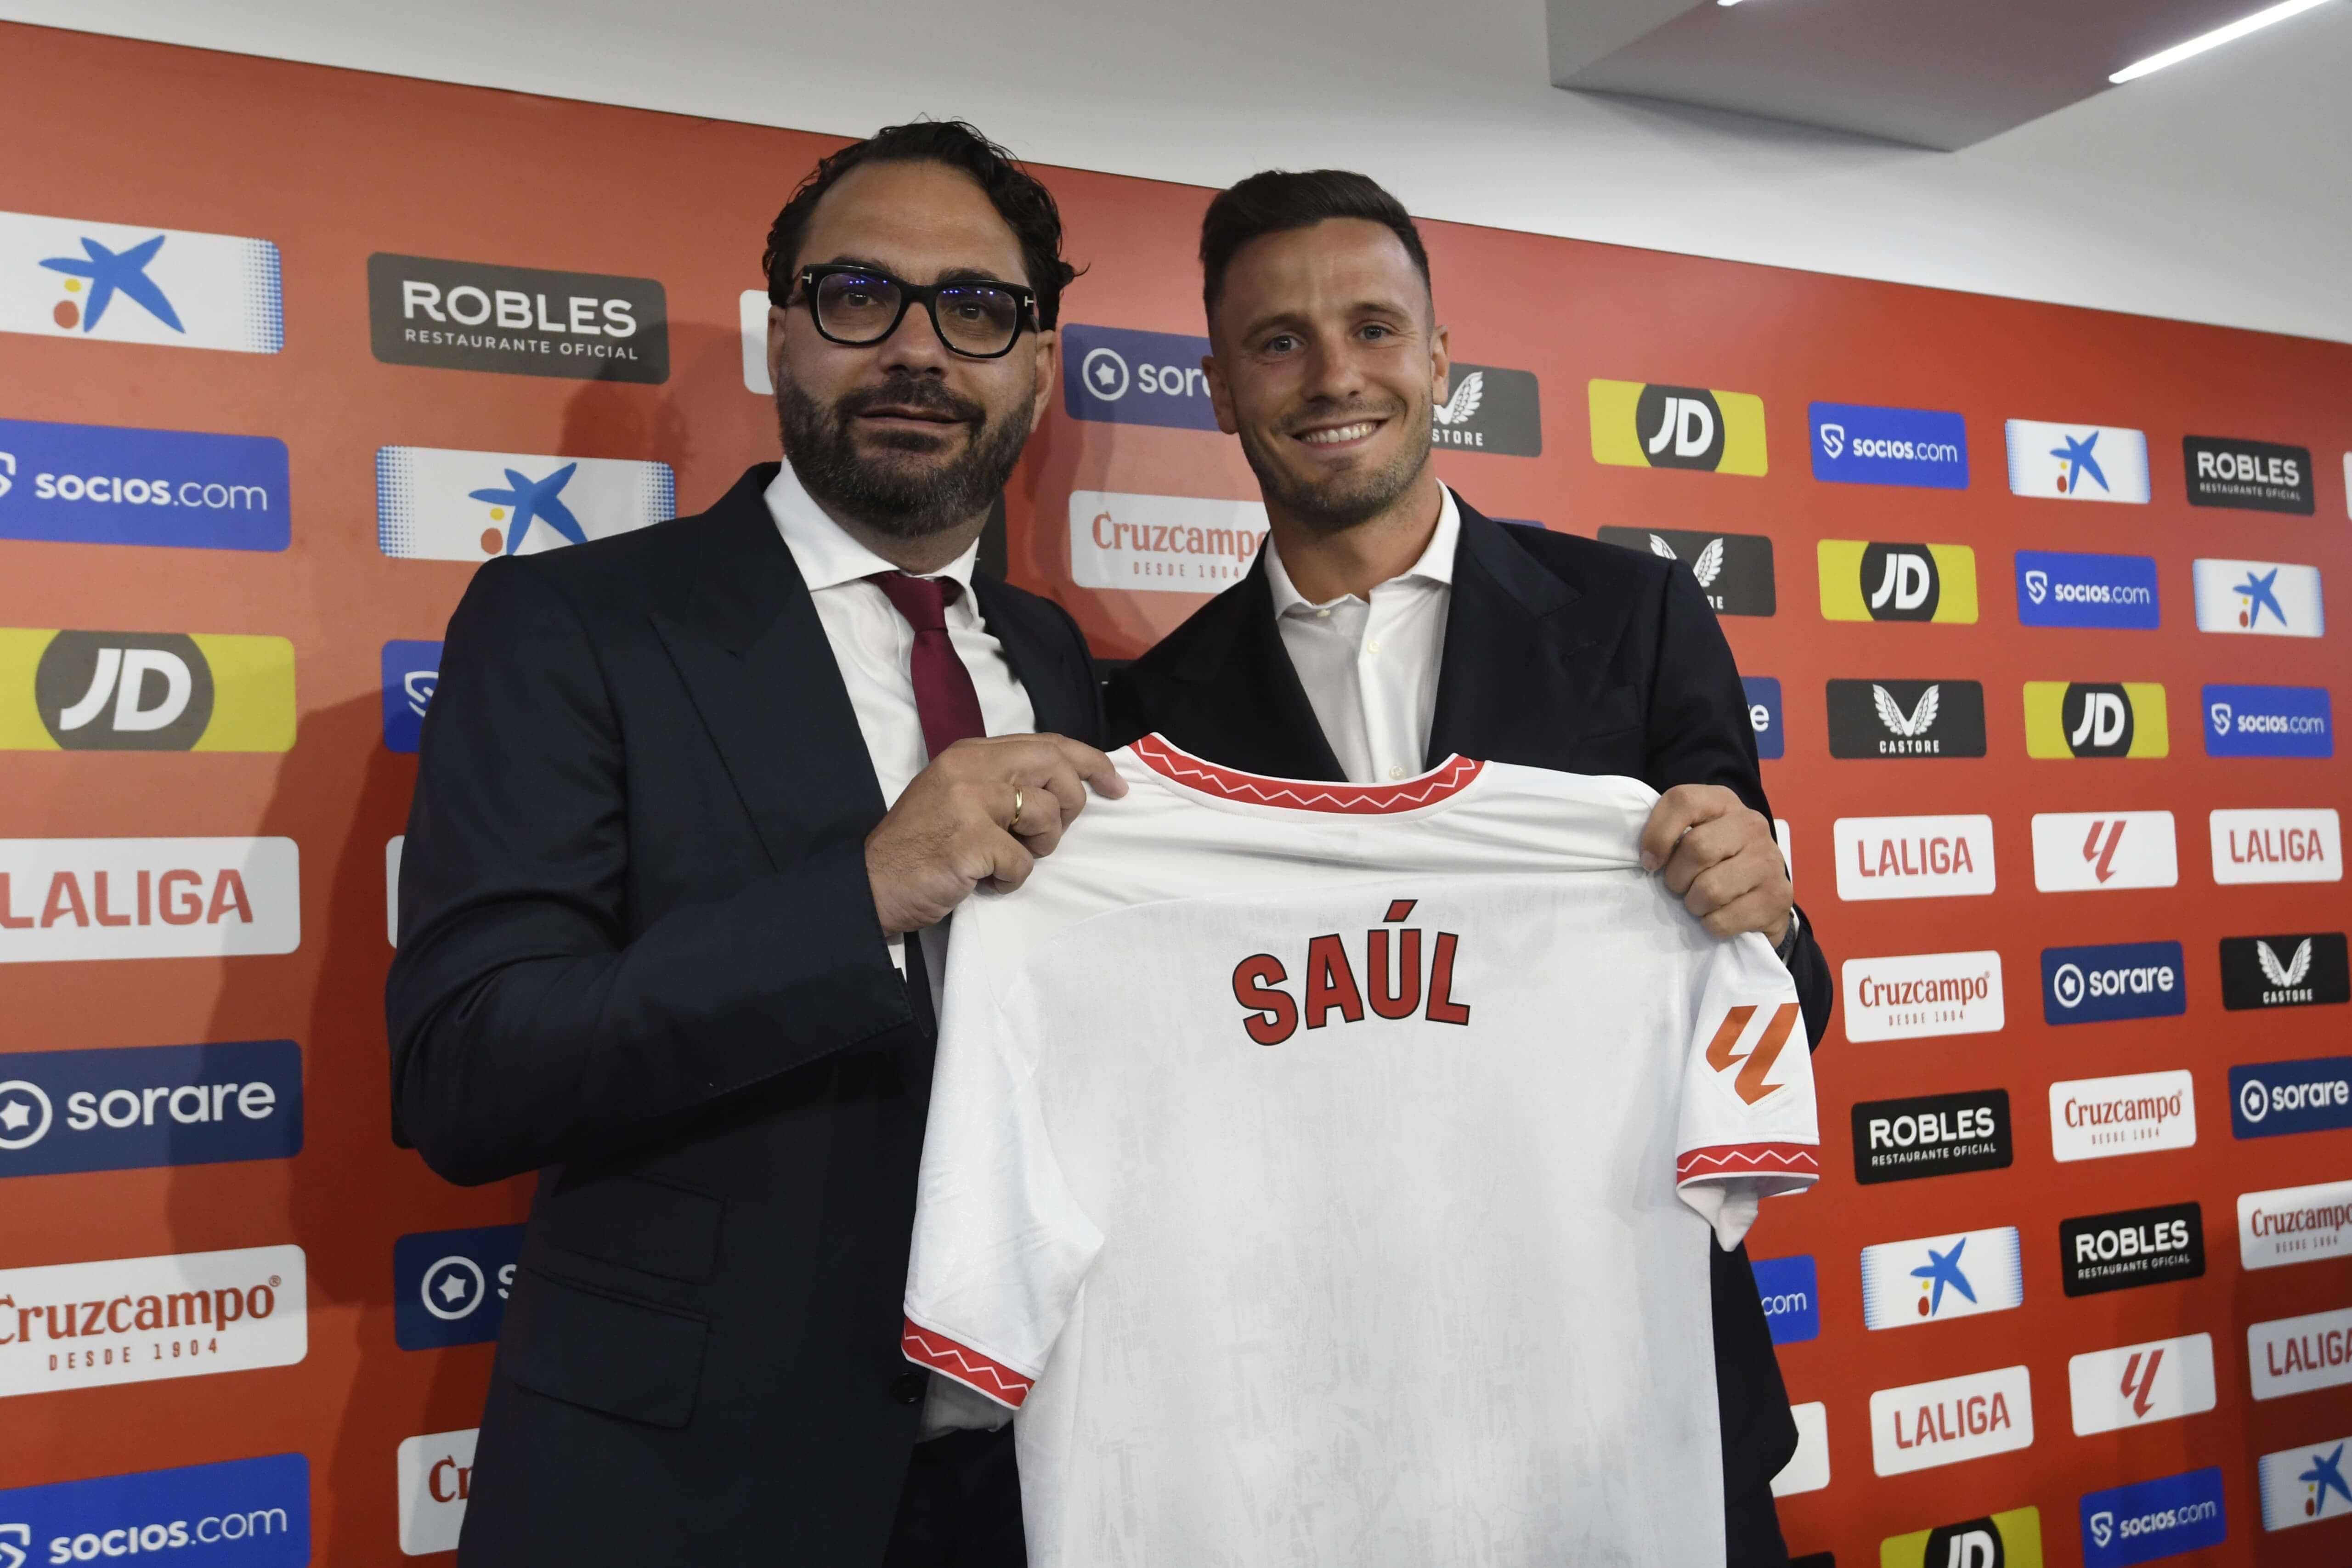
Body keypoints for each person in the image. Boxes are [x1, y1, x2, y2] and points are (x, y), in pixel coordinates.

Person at [386, 119, 1121, 1568]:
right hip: (691, 1494)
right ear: (781, 333)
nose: (916, 349)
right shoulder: (570, 626)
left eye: (976, 309)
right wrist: (864, 896)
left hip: (1039, 1471)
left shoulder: (1056, 656)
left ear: (1038, 364)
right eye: (860, 295)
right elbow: (467, 1071)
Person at [1103, 169, 1832, 1566]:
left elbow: (1779, 1008)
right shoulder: (1147, 719)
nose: (1335, 375)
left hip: (1635, 1388)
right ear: (1219, 390)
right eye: (1278, 341)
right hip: (1314, 1419)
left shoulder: (1634, 618)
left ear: (1441, 359)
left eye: (1374, 328)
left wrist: (1772, 919)